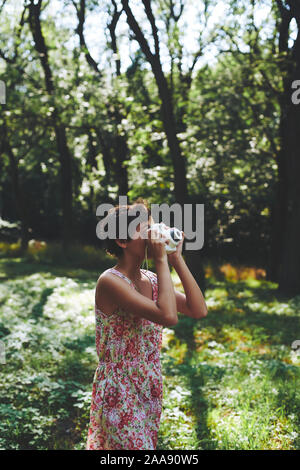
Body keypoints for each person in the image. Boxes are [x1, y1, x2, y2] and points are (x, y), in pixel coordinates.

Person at [86, 200, 208, 450]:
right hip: (119, 387)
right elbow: (168, 316)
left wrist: (176, 260)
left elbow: (198, 310)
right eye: (145, 230)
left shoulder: (153, 280)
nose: (154, 236)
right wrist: (162, 261)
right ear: (122, 241)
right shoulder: (110, 281)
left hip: (148, 382)